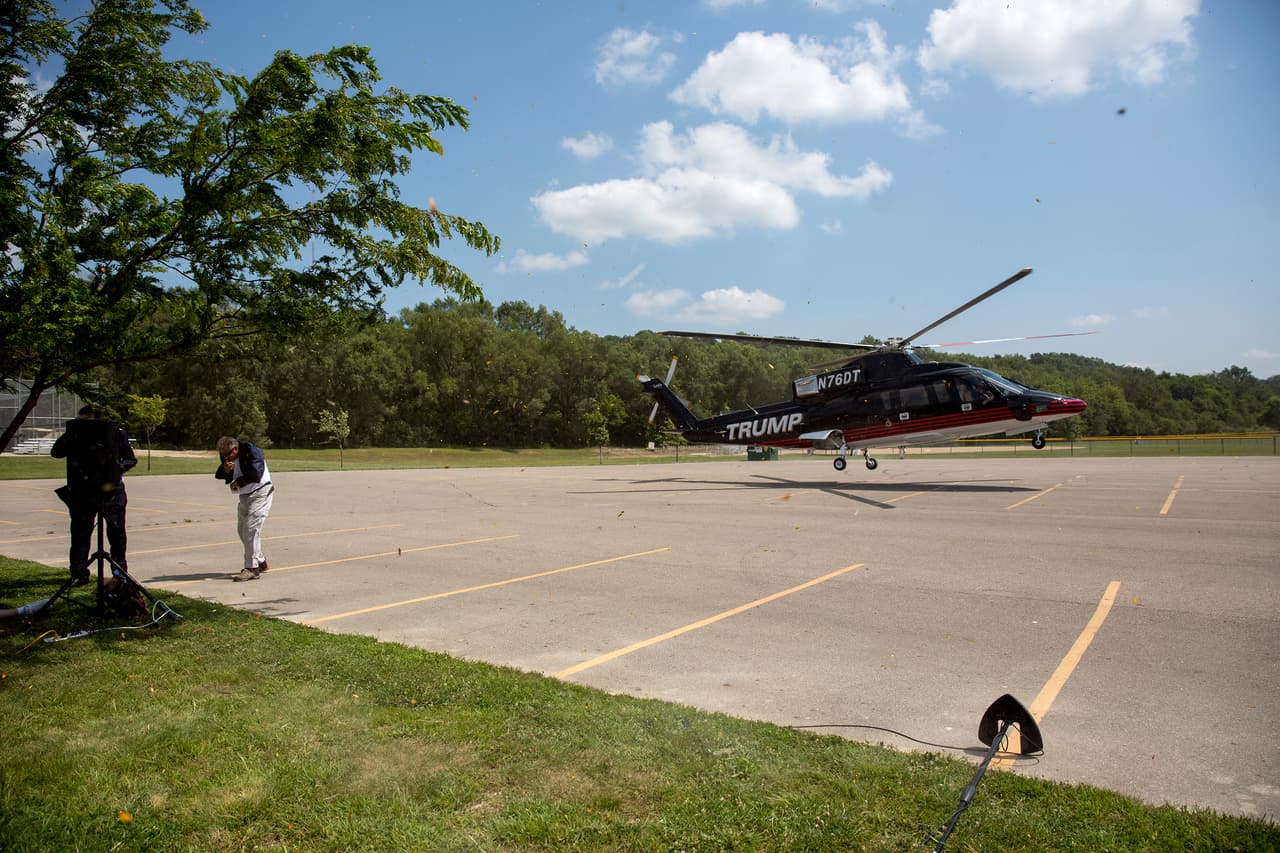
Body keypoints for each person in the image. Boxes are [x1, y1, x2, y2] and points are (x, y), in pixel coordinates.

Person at [50, 405, 137, 586]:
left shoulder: (116, 433)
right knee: (80, 533)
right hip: (83, 491)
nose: (83, 423)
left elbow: (130, 459)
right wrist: (72, 431)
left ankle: (119, 571)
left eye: (87, 420)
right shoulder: (75, 435)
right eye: (80, 420)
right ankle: (79, 572)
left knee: (116, 531)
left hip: (112, 492)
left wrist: (114, 469)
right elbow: (56, 452)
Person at [215, 436, 274, 581]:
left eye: (228, 454)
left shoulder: (252, 452)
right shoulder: (226, 455)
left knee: (250, 528)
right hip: (244, 495)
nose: (226, 457)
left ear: (236, 449)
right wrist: (225, 469)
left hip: (261, 492)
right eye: (223, 455)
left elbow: (256, 473)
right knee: (242, 530)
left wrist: (238, 482)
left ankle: (251, 568)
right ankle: (260, 561)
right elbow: (219, 475)